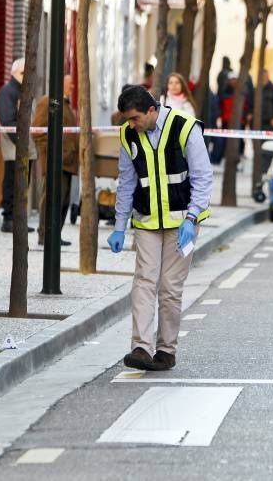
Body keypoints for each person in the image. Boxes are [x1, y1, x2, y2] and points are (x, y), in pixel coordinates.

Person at [107, 85, 212, 371]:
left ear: (152, 110)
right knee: (143, 281)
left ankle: (166, 350)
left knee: (169, 287)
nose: (132, 124)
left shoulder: (184, 127)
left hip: (182, 224)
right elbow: (126, 182)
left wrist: (191, 219)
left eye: (135, 118)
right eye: (128, 119)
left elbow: (203, 178)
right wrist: (119, 225)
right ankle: (141, 347)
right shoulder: (129, 135)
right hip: (147, 221)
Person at [32, 74, 79, 247]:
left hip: (67, 163)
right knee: (51, 198)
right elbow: (37, 131)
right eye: (70, 83)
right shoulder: (49, 101)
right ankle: (45, 235)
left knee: (63, 201)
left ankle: (55, 235)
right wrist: (52, 151)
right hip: (55, 162)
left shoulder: (65, 104)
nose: (72, 86)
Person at [0, 58, 37, 234]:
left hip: (25, 147)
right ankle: (9, 219)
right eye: (24, 73)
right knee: (13, 182)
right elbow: (7, 121)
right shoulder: (8, 92)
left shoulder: (21, 91)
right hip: (15, 148)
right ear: (16, 73)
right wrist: (20, 144)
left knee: (22, 185)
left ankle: (17, 219)